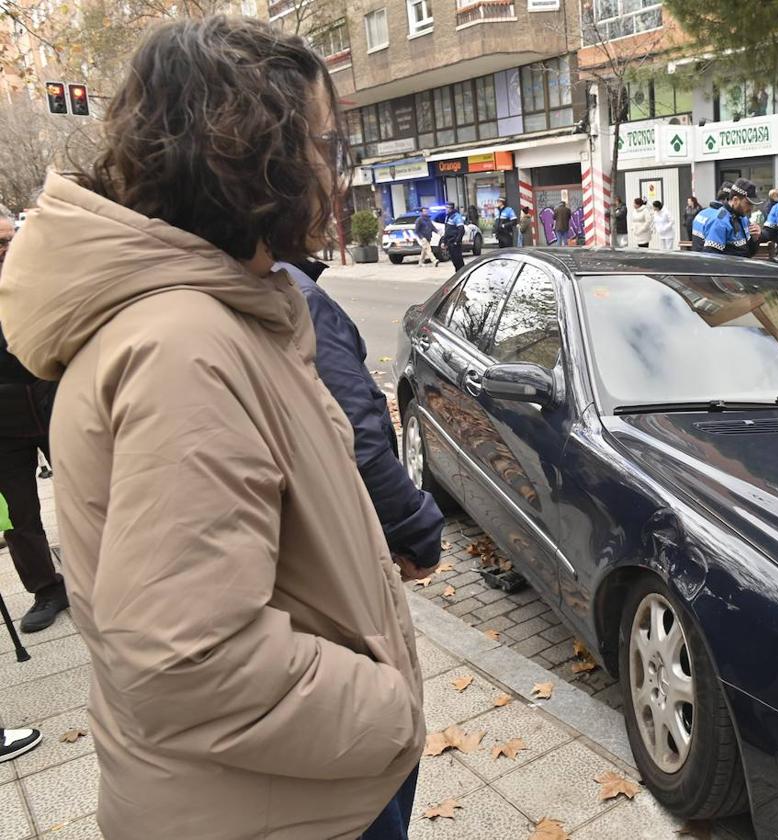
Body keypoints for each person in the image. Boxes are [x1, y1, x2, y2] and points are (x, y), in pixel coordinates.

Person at [0, 17, 427, 839]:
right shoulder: (183, 346)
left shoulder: (211, 317)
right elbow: (185, 656)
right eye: (321, 147)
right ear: (251, 158)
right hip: (289, 802)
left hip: (289, 785)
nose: (332, 176)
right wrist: (388, 712)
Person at [280, 257, 445, 573]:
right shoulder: (299, 297)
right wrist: (415, 533)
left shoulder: (263, 284)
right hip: (337, 526)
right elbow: (354, 430)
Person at [0, 215, 67, 633]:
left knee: (97, 488)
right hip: (3, 420)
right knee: (20, 512)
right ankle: (46, 588)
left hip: (53, 398)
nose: (6, 248)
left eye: (9, 239)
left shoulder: (40, 273)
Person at [702, 178, 762, 258]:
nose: (751, 208)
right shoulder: (720, 221)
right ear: (735, 200)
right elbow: (711, 258)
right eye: (748, 203)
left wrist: (755, 239)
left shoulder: (743, 218)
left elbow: (748, 253)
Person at [691, 182, 732, 250]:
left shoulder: (702, 213)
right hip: (707, 257)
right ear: (727, 200)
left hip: (696, 255)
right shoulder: (721, 216)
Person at [445, 201, 466, 269]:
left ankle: (462, 274)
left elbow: (461, 230)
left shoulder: (457, 216)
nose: (446, 209)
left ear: (450, 208)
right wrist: (444, 242)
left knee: (458, 260)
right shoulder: (448, 217)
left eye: (447, 208)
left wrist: (457, 241)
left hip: (455, 242)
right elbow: (446, 230)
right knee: (454, 260)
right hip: (449, 242)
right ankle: (457, 274)